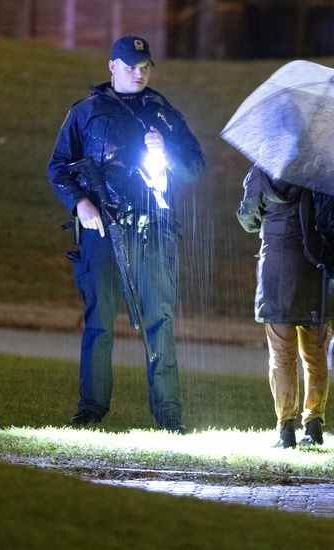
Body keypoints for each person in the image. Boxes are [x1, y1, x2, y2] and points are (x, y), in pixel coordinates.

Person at [47, 35, 204, 432]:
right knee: (99, 321)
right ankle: (91, 409)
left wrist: (165, 148)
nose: (139, 72)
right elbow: (59, 166)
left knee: (159, 319)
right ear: (111, 66)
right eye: (131, 65)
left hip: (152, 228)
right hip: (101, 228)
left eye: (145, 66)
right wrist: (79, 203)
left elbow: (195, 166)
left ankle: (169, 413)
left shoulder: (162, 112)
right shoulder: (85, 112)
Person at [237, 164, 334, 448]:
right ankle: (314, 423)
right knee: (315, 354)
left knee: (281, 354)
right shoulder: (320, 170)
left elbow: (248, 219)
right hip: (315, 266)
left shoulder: (261, 171)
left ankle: (286, 428)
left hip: (277, 267)